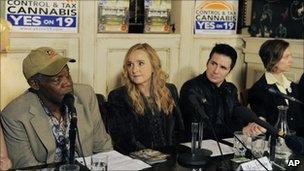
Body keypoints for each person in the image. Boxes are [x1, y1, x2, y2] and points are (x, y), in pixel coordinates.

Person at [0, 47, 112, 169]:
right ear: (35, 84)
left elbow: (103, 149)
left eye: (68, 74)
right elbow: (27, 167)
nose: (67, 83)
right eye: (57, 79)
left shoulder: (86, 95)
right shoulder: (14, 115)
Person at [107, 43, 184, 155]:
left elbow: (179, 130)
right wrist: (156, 157)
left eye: (140, 63)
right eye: (130, 65)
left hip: (171, 157)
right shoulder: (118, 97)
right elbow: (125, 142)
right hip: (138, 161)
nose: (134, 70)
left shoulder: (169, 90)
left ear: (153, 66)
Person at [179, 43, 265, 141]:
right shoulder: (191, 88)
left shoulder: (230, 89)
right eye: (213, 64)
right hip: (200, 146)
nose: (215, 71)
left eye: (223, 68)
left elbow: (238, 117)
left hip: (227, 143)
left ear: (229, 71)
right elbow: (199, 128)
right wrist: (240, 130)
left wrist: (252, 125)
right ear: (207, 63)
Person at [248, 39, 304, 138]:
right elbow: (263, 127)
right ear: (273, 60)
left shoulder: (292, 86)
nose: (291, 60)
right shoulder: (259, 90)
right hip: (277, 144)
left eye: (290, 56)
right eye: (286, 57)